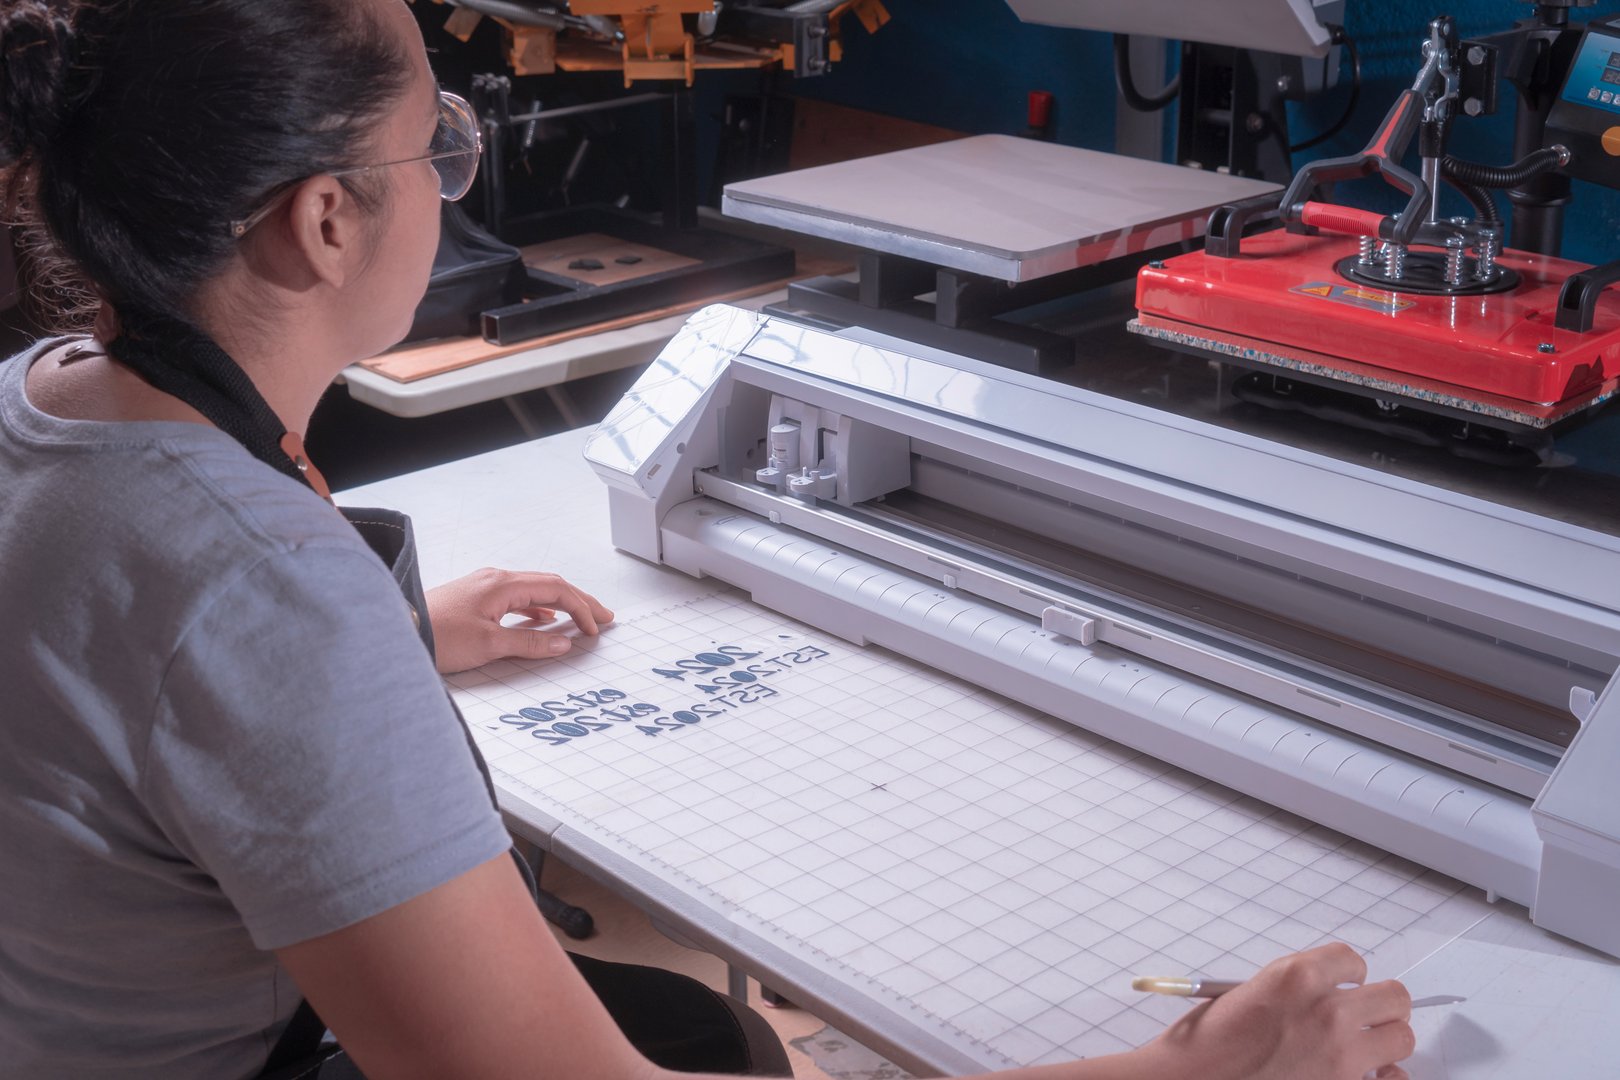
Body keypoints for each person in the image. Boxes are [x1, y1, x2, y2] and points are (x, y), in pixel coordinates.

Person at [0, 2, 1415, 1078]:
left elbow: (134, 667)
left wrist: (386, 645)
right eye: (438, 142)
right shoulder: (255, 590)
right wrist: (1191, 1065)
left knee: (685, 1013)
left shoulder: (50, 402)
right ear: (323, 221)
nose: (454, 175)